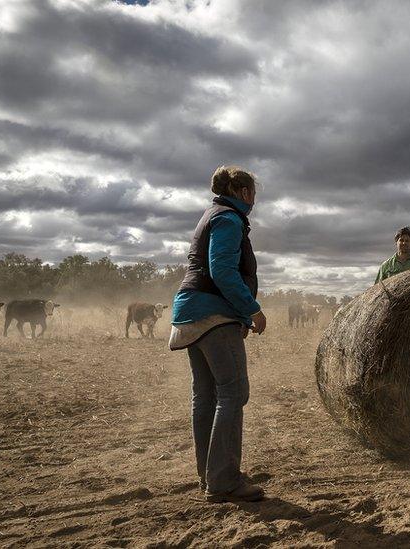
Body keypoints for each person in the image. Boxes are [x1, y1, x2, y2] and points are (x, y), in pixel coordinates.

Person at [169, 166, 267, 503]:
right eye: (253, 192)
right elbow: (222, 269)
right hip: (214, 314)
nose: (255, 199)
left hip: (190, 311)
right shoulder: (229, 218)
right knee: (233, 392)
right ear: (242, 192)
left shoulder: (211, 214)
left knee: (206, 395)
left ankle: (209, 474)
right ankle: (224, 480)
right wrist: (251, 309)